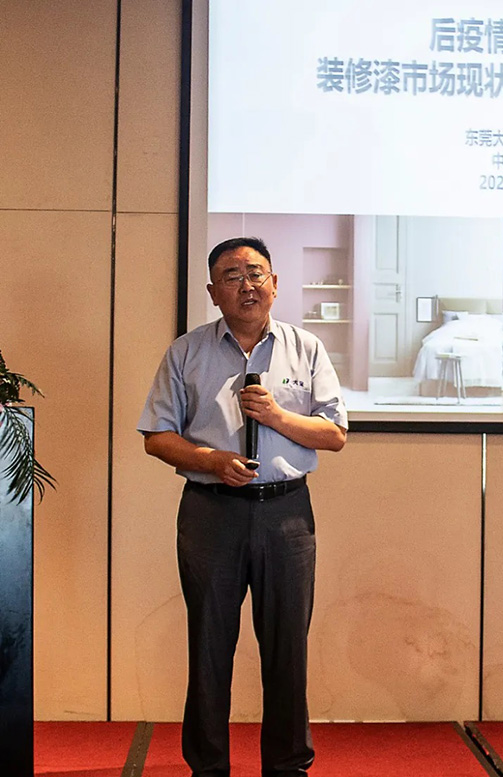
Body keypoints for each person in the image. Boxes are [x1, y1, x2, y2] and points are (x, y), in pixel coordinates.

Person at [138, 236, 347, 777]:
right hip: (211, 512)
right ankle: (208, 767)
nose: (246, 285)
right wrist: (210, 460)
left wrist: (276, 416)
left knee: (287, 648)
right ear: (213, 292)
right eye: (232, 276)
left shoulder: (306, 348)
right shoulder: (186, 352)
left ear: (275, 284)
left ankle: (287, 766)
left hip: (286, 514)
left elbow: (334, 434)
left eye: (256, 274)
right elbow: (157, 436)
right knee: (209, 646)